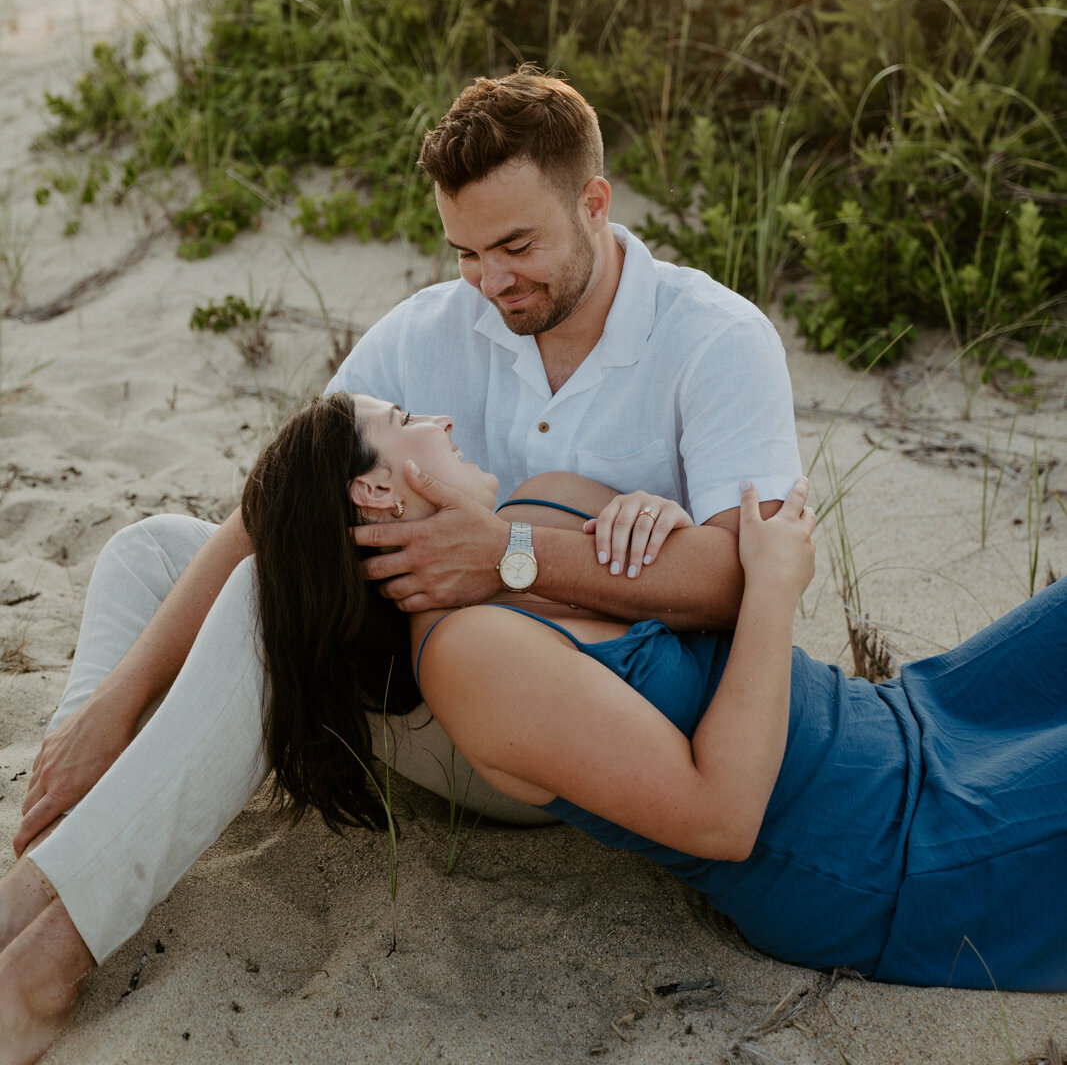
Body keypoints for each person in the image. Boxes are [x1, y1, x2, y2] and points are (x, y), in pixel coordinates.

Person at [3, 393, 1064, 1065]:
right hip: (887, 845)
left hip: (915, 710)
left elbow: (722, 576)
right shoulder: (470, 660)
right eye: (412, 415)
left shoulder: (545, 509)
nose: (449, 423)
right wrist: (775, 589)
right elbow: (721, 815)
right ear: (379, 488)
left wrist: (688, 542)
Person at [14, 69, 802, 855]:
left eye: (516, 246)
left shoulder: (714, 340)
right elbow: (281, 508)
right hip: (419, 675)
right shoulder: (426, 329)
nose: (491, 282)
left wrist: (508, 560)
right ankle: (67, 783)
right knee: (151, 551)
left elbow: (744, 579)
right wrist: (114, 706)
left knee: (259, 610)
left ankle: (56, 911)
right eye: (465, 252)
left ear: (593, 205)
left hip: (577, 734)